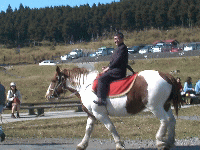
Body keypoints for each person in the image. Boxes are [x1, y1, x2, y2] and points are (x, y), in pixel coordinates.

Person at [93, 32, 128, 106]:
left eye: (117, 39)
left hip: (119, 71)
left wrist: (109, 68)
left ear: (121, 39)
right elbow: (114, 62)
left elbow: (118, 61)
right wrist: (107, 67)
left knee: (101, 79)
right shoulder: (118, 48)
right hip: (114, 70)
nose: (115, 41)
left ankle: (102, 99)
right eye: (114, 39)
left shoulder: (123, 48)